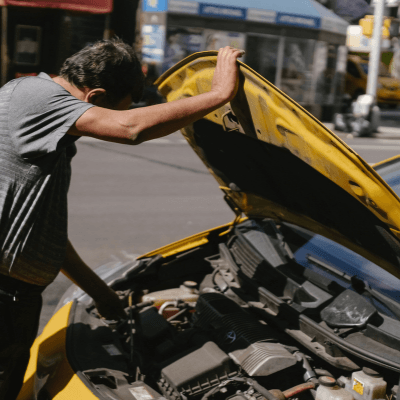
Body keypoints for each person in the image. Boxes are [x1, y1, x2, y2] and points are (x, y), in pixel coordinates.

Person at [0, 38, 243, 400]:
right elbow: (131, 129)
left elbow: (42, 233)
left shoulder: (38, 113)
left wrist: (101, 294)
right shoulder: (38, 98)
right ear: (95, 98)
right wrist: (219, 94)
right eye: (116, 108)